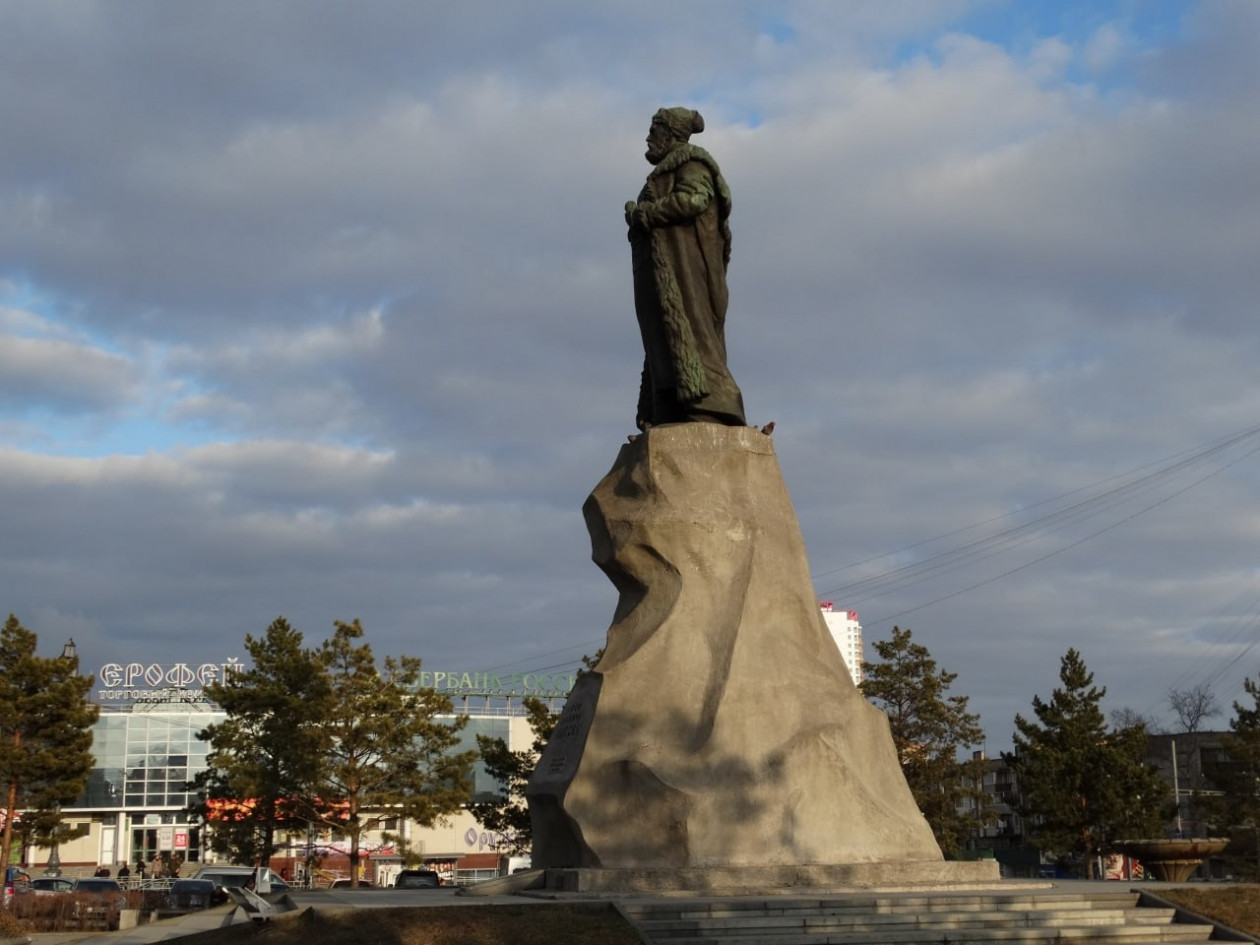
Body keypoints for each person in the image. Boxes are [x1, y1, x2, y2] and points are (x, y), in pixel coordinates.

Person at [625, 106, 746, 431]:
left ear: (671, 134)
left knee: (693, 332)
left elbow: (694, 200)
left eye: (654, 131)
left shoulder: (692, 164)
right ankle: (668, 405)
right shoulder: (662, 172)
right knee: (661, 339)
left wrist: (647, 213)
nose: (648, 138)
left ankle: (711, 404)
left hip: (684, 273)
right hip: (659, 271)